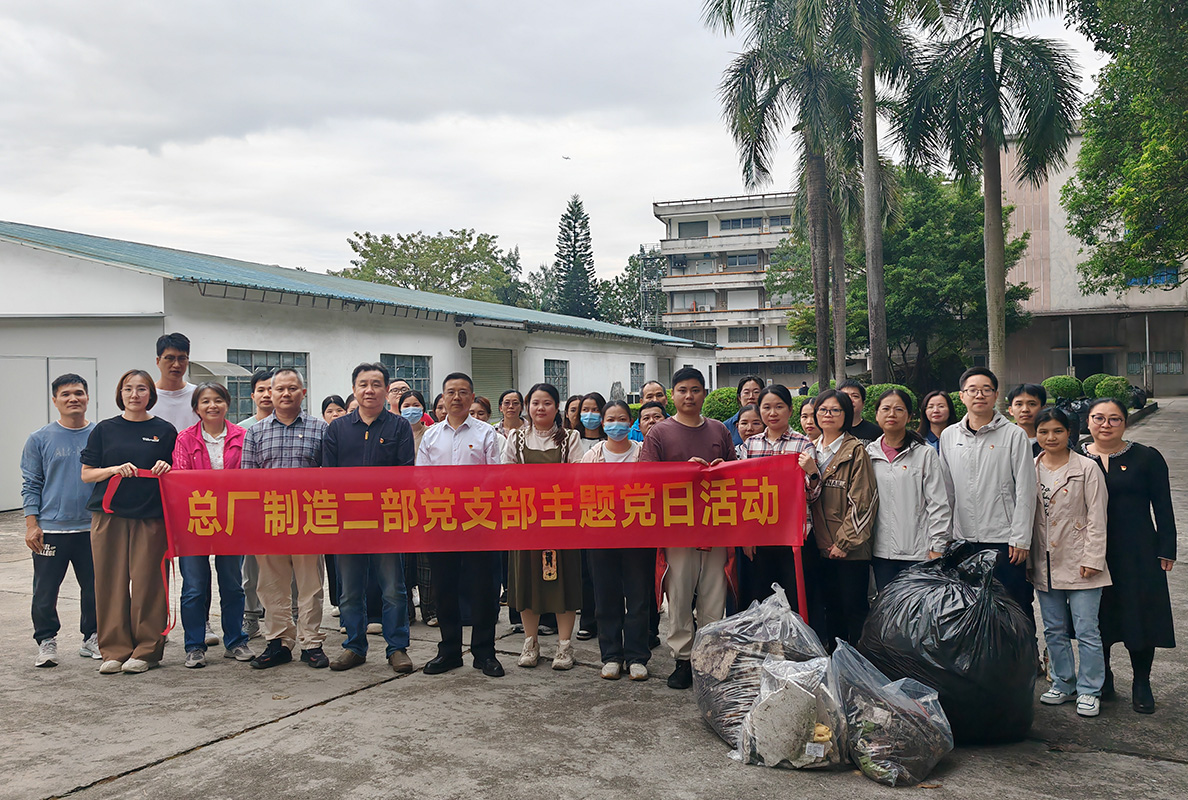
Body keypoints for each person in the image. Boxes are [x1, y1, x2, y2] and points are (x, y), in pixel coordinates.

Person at [640, 367, 736, 690]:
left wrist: (722, 469)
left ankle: (708, 660)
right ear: (672, 395)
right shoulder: (659, 433)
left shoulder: (719, 430)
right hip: (677, 526)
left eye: (695, 390)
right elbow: (646, 477)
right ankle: (682, 659)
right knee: (679, 595)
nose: (689, 396)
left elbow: (736, 472)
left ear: (704, 394)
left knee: (714, 595)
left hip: (715, 524)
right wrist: (683, 471)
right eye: (682, 390)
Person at [1084, 397, 1177, 714]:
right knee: (1097, 616)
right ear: (1088, 421)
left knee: (1140, 614)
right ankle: (1103, 677)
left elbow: (1163, 505)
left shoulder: (1146, 457)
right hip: (1091, 551)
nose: (1105, 425)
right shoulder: (1077, 457)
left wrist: (1167, 547)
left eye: (1114, 419)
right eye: (1098, 418)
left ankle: (1141, 682)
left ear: (1125, 422)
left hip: (1138, 549)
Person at [79, 369, 176, 674]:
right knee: (110, 582)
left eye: (141, 389)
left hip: (151, 516)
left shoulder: (165, 430)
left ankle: (147, 651)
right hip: (109, 516)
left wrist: (167, 466)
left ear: (151, 394)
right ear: (120, 394)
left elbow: (178, 470)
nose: (135, 395)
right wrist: (113, 469)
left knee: (150, 583)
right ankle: (114, 650)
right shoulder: (104, 430)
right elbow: (87, 474)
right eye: (128, 389)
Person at [323, 363, 416, 674]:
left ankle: (397, 647)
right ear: (354, 389)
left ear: (386, 390)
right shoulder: (337, 429)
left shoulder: (399, 427)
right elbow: (328, 476)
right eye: (363, 384)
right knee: (350, 591)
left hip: (387, 520)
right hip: (348, 523)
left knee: (393, 589)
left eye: (376, 384)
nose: (369, 390)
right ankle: (354, 646)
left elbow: (405, 473)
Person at [240, 368, 329, 670]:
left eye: (292, 388)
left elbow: (332, 477)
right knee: (270, 585)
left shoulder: (320, 429)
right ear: (270, 393)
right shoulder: (255, 432)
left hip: (309, 519)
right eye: (279, 389)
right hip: (270, 519)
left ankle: (311, 642)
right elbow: (247, 481)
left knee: (310, 585)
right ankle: (278, 642)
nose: (285, 394)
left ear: (303, 393)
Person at [418, 373, 506, 678]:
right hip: (442, 519)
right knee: (445, 587)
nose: (456, 397)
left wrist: (469, 500)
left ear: (472, 397)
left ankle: (485, 653)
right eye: (451, 392)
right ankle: (449, 651)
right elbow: (422, 478)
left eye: (463, 392)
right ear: (442, 397)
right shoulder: (431, 435)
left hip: (478, 519)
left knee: (484, 588)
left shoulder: (486, 433)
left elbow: (494, 476)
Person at [1030, 407, 1111, 718]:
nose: (1050, 437)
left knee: (1087, 629)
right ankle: (1064, 682)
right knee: (1053, 629)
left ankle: (1090, 689)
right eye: (1043, 432)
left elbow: (1097, 517)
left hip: (1080, 561)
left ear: (1069, 433)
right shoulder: (1030, 468)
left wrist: (1093, 558)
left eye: (1058, 431)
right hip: (1044, 561)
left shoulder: (1087, 468)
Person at [939, 367, 1037, 621]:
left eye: (986, 390)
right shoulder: (949, 436)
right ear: (962, 396)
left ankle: (1023, 648)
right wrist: (945, 537)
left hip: (1004, 540)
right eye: (972, 390)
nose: (979, 395)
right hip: (963, 540)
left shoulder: (1014, 435)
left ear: (995, 395)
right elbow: (947, 492)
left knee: (1013, 607)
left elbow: (1026, 489)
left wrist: (1021, 538)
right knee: (970, 612)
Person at [503, 382, 584, 671]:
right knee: (527, 581)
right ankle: (530, 642)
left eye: (547, 402)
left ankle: (564, 645)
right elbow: (505, 475)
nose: (541, 408)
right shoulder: (516, 437)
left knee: (564, 583)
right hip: (526, 521)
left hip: (562, 520)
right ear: (528, 407)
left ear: (556, 406)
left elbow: (579, 476)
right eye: (535, 403)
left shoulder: (570, 438)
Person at [172, 382, 253, 668]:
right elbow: (180, 479)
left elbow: (250, 476)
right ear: (196, 408)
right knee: (194, 586)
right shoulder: (185, 439)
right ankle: (194, 645)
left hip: (233, 521)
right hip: (196, 520)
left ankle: (236, 641)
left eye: (218, 400)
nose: (212, 406)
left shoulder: (243, 436)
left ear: (227, 404)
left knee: (232, 584)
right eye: (205, 401)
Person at [23, 374, 99, 667]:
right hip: (51, 530)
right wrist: (32, 524)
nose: (73, 398)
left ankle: (92, 637)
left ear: (87, 397)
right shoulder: (39, 439)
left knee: (94, 588)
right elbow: (31, 483)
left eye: (78, 393)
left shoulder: (100, 435)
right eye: (65, 394)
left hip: (92, 528)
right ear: (55, 401)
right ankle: (46, 640)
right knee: (45, 590)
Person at [582, 401, 651, 681]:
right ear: (603, 423)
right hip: (601, 535)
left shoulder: (643, 452)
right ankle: (611, 655)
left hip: (638, 535)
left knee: (638, 597)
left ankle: (637, 656)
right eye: (610, 419)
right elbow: (580, 491)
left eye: (622, 418)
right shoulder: (592, 455)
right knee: (605, 596)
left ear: (630, 422)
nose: (616, 424)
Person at [738, 385, 821, 615]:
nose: (772, 413)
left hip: (794, 537)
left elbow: (812, 496)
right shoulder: (750, 445)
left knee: (796, 600)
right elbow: (742, 492)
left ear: (790, 410)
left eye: (779, 407)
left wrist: (813, 473)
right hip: (760, 535)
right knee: (761, 601)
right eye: (766, 407)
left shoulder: (803, 444)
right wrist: (747, 536)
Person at [805, 389, 878, 645]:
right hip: (819, 546)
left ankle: (858, 662)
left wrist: (845, 542)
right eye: (823, 410)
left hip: (849, 549)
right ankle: (836, 660)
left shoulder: (856, 450)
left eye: (836, 410)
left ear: (846, 415)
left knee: (854, 609)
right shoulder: (809, 450)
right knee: (830, 609)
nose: (828, 415)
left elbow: (864, 501)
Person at [866, 389, 951, 591]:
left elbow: (938, 503)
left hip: (918, 553)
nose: (891, 414)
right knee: (888, 606)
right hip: (880, 553)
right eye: (886, 409)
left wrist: (937, 546)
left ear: (910, 416)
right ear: (877, 415)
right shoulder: (868, 454)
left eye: (899, 409)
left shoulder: (924, 453)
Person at [238, 369, 273, 640]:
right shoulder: (241, 430)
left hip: (285, 508)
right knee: (250, 569)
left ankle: (288, 616)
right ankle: (250, 616)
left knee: (289, 568)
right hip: (252, 510)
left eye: (272, 388)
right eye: (261, 389)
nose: (267, 394)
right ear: (252, 395)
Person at [152, 332, 200, 434]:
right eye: (170, 358)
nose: (176, 365)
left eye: (182, 358)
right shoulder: (146, 396)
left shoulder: (198, 395)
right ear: (158, 361)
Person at [725, 375, 764, 446]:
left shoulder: (771, 422)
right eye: (746, 392)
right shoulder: (726, 426)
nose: (751, 396)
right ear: (739, 397)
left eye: (756, 392)